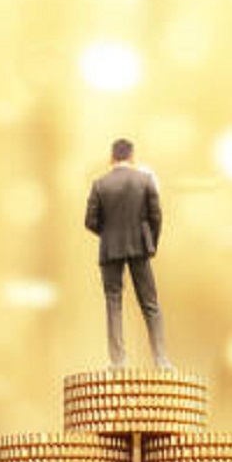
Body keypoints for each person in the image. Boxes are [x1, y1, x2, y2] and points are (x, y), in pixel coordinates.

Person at [85, 138, 171, 369]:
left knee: (113, 304)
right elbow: (156, 216)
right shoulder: (145, 180)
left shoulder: (99, 184)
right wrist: (151, 242)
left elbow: (90, 221)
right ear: (132, 157)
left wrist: (108, 234)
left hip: (110, 249)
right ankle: (161, 360)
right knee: (150, 304)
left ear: (111, 157)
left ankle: (118, 361)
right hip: (139, 246)